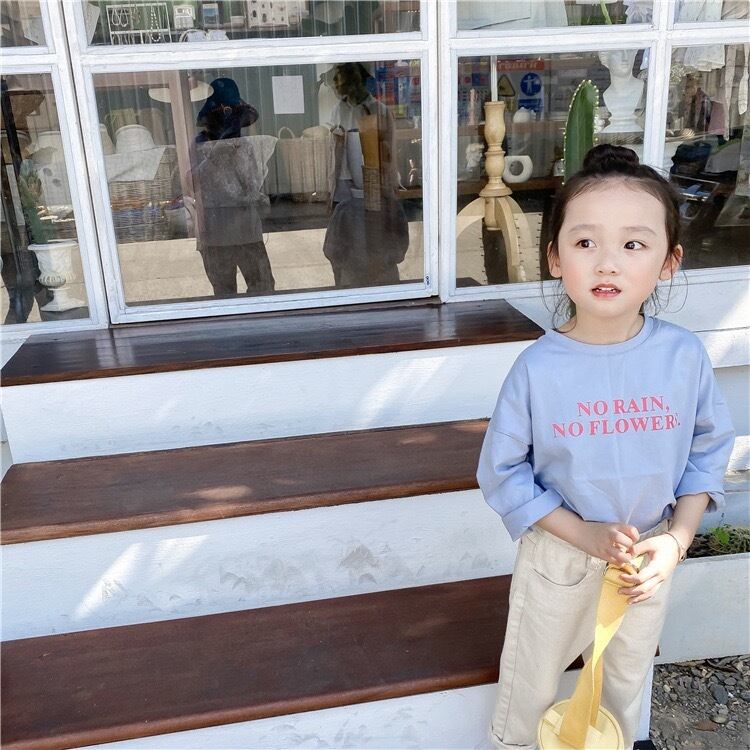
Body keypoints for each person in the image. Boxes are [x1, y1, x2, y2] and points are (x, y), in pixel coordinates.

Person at [476, 144, 735, 750]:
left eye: (633, 244)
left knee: (625, 675)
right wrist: (581, 533)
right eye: (586, 242)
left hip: (647, 555)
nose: (607, 263)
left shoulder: (682, 356)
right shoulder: (538, 368)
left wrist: (677, 540)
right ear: (555, 257)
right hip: (559, 556)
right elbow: (503, 472)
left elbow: (706, 452)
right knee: (532, 675)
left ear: (669, 262)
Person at [189, 77, 275, 297]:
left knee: (263, 288)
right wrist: (214, 155)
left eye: (235, 114)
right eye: (226, 113)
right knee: (224, 294)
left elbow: (252, 185)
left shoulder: (243, 145)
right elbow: (188, 182)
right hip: (216, 233)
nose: (231, 120)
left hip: (247, 231)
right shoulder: (200, 144)